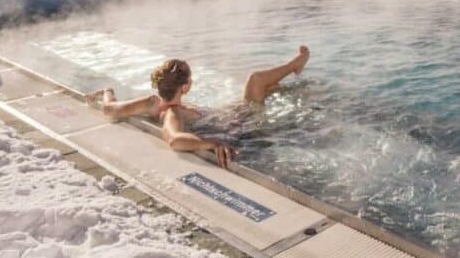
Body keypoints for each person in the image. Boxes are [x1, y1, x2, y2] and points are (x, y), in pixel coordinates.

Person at [86, 46, 310, 168]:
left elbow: (111, 109)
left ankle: (289, 73)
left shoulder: (156, 101)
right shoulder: (172, 113)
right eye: (190, 80)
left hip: (230, 113)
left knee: (263, 86)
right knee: (256, 81)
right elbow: (174, 139)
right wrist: (211, 144)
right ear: (184, 87)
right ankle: (294, 66)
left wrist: (107, 92)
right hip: (240, 123)